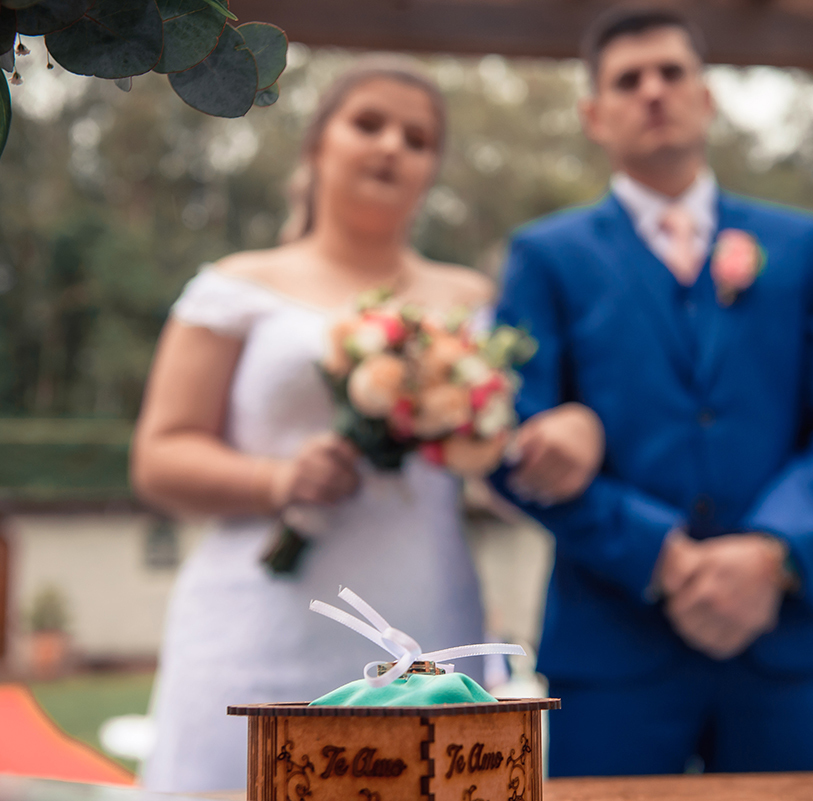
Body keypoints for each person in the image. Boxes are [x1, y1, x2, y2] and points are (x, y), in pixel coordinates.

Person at [131, 57, 603, 792]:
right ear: (317, 144)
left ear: (433, 170)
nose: (391, 147)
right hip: (258, 626)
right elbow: (159, 458)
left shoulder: (474, 299)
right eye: (368, 124)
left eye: (417, 139)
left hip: (428, 619)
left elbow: (503, 457)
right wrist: (278, 479)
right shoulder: (235, 286)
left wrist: (569, 435)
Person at [492, 7, 813, 776]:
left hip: (783, 638)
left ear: (706, 98)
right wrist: (663, 558)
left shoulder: (798, 245)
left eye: (672, 73)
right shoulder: (545, 257)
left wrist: (771, 550)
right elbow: (510, 443)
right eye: (627, 80)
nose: (653, 91)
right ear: (593, 114)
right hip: (612, 645)